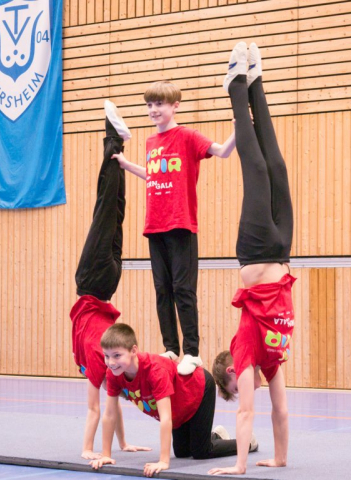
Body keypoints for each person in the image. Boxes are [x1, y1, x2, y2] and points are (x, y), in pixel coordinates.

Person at [208, 42, 295, 476]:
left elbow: (246, 413)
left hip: (256, 250)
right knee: (276, 166)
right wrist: (279, 458)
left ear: (230, 370)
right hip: (283, 250)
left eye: (236, 384)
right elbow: (280, 410)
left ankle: (235, 87)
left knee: (257, 170)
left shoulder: (243, 352)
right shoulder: (272, 361)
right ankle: (256, 81)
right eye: (240, 387)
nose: (248, 388)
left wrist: (239, 466)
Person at [112, 81, 237, 375]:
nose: (153, 110)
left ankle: (192, 352)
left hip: (181, 223)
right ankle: (171, 347)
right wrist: (127, 165)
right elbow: (153, 175)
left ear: (175, 106)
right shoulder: (150, 142)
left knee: (183, 289)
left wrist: (238, 131)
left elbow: (222, 152)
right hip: (155, 225)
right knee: (162, 289)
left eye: (159, 104)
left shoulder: (187, 136)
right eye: (149, 105)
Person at [70, 101, 145, 459]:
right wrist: (88, 449)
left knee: (115, 212)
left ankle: (118, 145)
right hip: (92, 283)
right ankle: (112, 139)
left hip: (109, 283)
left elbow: (111, 405)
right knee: (105, 208)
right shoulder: (101, 362)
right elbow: (95, 408)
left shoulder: (111, 364)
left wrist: (123, 445)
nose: (115, 363)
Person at [89, 323, 256, 477]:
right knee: (182, 452)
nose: (111, 362)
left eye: (117, 355)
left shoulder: (155, 370)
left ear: (133, 350)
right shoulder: (113, 373)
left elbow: (165, 418)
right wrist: (106, 455)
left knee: (201, 452)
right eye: (106, 356)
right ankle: (216, 435)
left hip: (199, 388)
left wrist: (163, 461)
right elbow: (109, 414)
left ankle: (248, 442)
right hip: (179, 405)